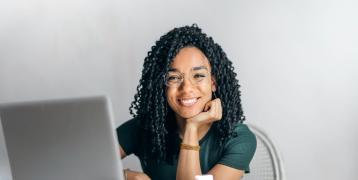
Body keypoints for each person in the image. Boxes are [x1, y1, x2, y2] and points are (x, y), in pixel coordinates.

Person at [116, 24, 256, 180]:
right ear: (162, 86)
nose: (187, 88)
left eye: (198, 76)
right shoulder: (145, 127)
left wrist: (192, 127)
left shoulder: (238, 138)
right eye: (174, 78)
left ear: (213, 83)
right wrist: (125, 176)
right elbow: (87, 164)